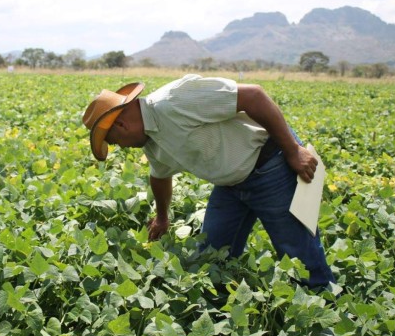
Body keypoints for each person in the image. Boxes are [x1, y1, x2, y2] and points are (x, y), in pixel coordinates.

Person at [82, 74, 335, 289]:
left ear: (123, 125)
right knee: (211, 257)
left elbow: (254, 96)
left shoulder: (174, 100)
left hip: (271, 168)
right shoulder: (151, 141)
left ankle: (322, 311)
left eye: (115, 142)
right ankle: (224, 307)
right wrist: (161, 217)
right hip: (230, 187)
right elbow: (159, 175)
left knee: (299, 256)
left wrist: (292, 150)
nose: (121, 147)